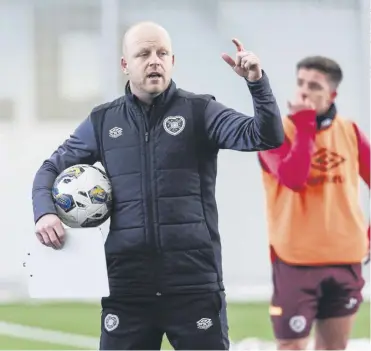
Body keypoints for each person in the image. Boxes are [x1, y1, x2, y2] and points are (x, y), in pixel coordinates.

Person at [32, 21, 284, 350]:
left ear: (173, 61)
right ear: (125, 65)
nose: (154, 60)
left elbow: (266, 136)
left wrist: (257, 84)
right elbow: (50, 168)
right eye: (143, 54)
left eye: (162, 52)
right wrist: (44, 212)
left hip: (193, 285)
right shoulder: (103, 121)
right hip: (128, 288)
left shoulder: (201, 111)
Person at [258, 56, 370, 350]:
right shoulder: (275, 133)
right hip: (296, 260)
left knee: (334, 347)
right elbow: (294, 178)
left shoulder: (351, 132)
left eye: (314, 86)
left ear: (331, 94)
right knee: (291, 346)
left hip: (346, 259)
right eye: (300, 83)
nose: (304, 92)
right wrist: (306, 125)